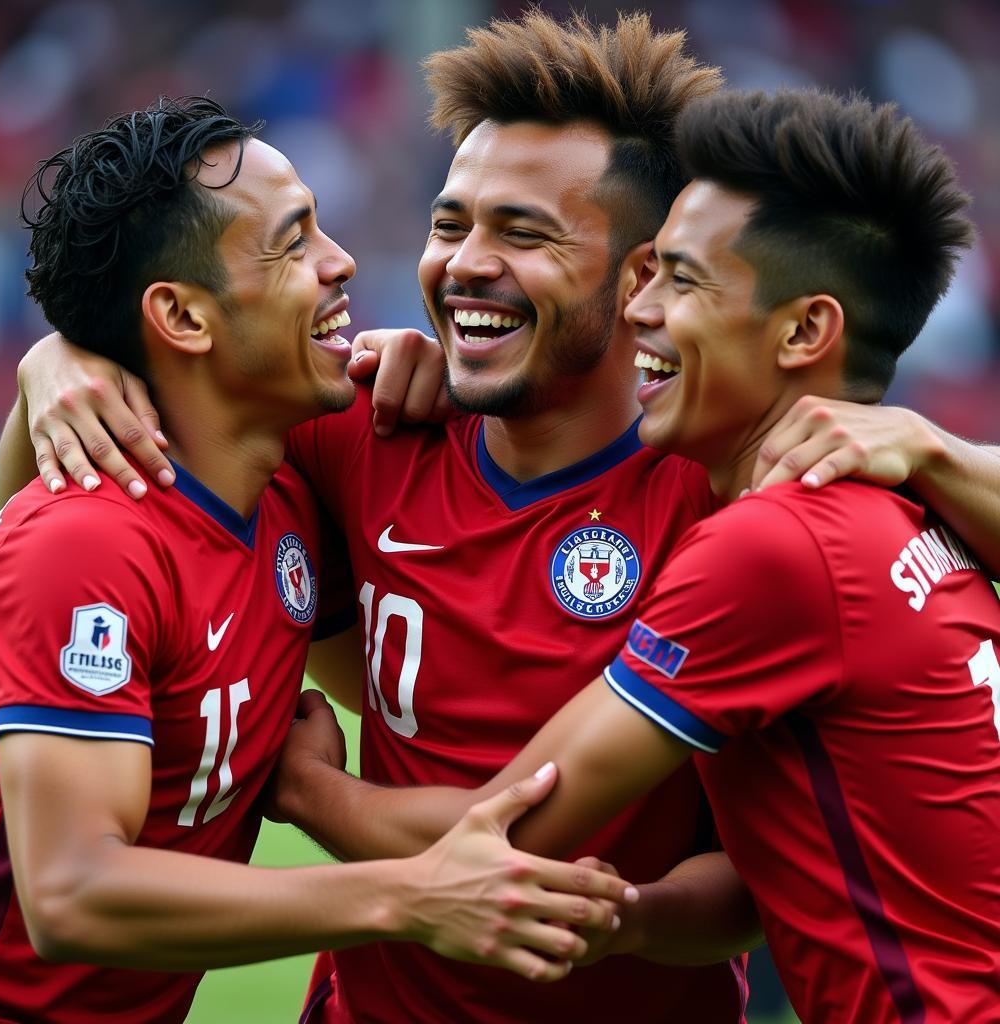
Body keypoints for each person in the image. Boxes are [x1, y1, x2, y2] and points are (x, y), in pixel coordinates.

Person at [0, 13, 1000, 1024]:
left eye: (521, 232)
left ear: (644, 275)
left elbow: (705, 877)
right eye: (449, 224)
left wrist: (933, 447)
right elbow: (70, 511)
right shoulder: (354, 432)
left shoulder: (731, 492)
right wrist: (63, 364)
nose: (463, 263)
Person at [0, 95, 638, 1024]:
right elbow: (72, 894)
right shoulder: (87, 536)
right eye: (293, 244)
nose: (343, 262)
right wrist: (406, 894)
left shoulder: (283, 496)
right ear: (183, 316)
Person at [345, 88, 1000, 1023]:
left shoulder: (772, 543)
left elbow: (516, 830)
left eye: (682, 281)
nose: (638, 308)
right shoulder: (894, 504)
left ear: (806, 331)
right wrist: (640, 919)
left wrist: (301, 784)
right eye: (646, 273)